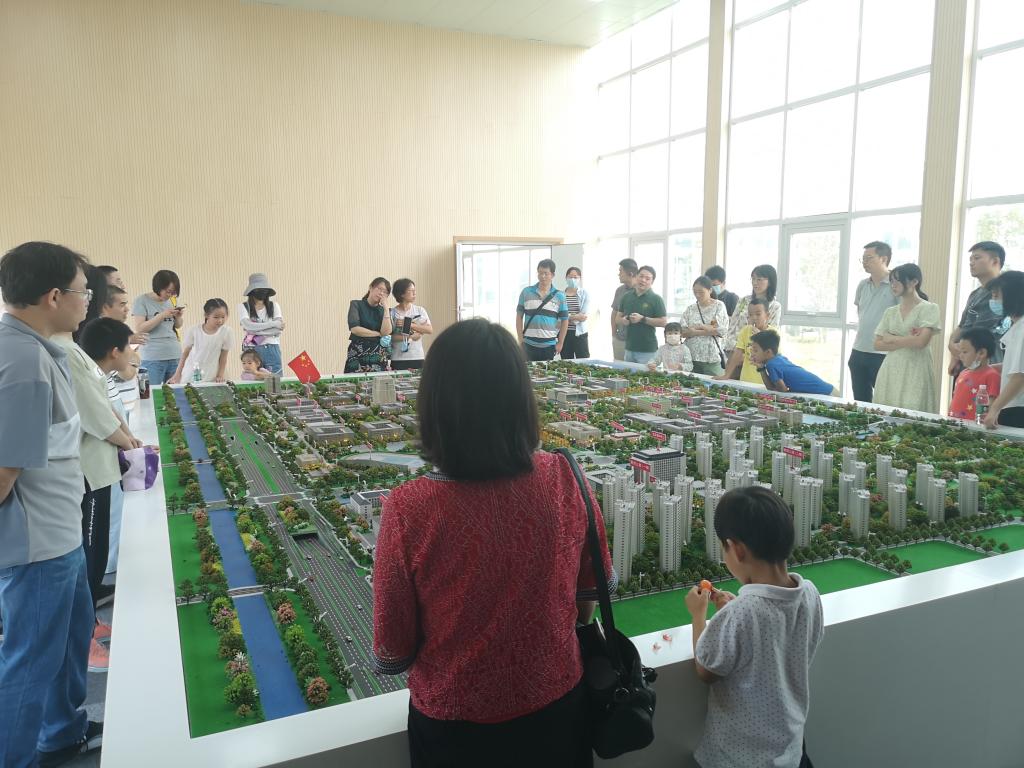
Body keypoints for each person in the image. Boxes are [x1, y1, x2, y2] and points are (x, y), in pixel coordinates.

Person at [373, 318, 613, 768]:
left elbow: (394, 648)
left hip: (456, 727)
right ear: (520, 400)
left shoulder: (410, 508)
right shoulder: (565, 477)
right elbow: (589, 595)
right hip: (557, 710)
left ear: (436, 406)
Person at [0, 242, 104, 767]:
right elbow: (4, 473)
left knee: (68, 639)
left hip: (60, 537)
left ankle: (63, 730)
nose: (89, 301)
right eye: (84, 291)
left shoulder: (39, 350)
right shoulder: (24, 362)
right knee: (29, 664)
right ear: (54, 296)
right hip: (37, 547)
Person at [685, 486, 823, 768]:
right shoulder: (809, 593)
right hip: (792, 749)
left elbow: (706, 669)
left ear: (736, 549)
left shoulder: (742, 612)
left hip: (741, 757)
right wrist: (734, 612)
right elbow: (776, 633)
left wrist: (698, 615)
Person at [57, 306, 142, 672]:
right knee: (91, 558)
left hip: (102, 472)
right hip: (90, 474)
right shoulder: (71, 356)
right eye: (128, 347)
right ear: (113, 351)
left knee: (96, 552)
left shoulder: (88, 364)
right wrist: (128, 443)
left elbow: (108, 410)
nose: (132, 354)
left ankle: (89, 620)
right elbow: (96, 418)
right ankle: (84, 637)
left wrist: (129, 438)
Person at [873, 264, 941, 414]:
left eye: (897, 280)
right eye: (891, 281)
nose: (893, 285)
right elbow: (877, 344)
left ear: (914, 282)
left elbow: (921, 342)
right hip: (891, 368)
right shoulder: (890, 312)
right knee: (886, 410)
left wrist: (891, 338)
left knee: (914, 410)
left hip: (916, 368)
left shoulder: (929, 308)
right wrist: (909, 340)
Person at [848, 241, 898, 402]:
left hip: (882, 353)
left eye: (869, 258)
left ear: (884, 259)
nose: (865, 262)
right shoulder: (862, 285)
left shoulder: (896, 285)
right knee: (861, 401)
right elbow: (861, 313)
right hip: (859, 350)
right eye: (863, 259)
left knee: (886, 401)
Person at [948, 241, 1006, 379]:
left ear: (995, 261)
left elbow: (985, 332)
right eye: (970, 259)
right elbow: (962, 326)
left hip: (991, 364)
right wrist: (951, 346)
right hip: (967, 363)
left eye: (977, 258)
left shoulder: (1003, 293)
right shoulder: (975, 294)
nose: (971, 262)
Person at [982, 271, 1024, 429]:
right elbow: (1015, 367)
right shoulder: (1017, 326)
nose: (993, 301)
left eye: (996, 295)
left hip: (1017, 408)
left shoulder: (1022, 330)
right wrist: (990, 368)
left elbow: (1019, 377)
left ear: (1013, 296)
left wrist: (994, 408)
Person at [132, 269, 183, 384]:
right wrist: (162, 315)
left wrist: (178, 317)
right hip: (152, 357)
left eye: (173, 292)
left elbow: (177, 325)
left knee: (176, 392)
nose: (170, 295)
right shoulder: (142, 301)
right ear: (158, 287)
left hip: (174, 354)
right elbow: (140, 328)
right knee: (153, 392)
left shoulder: (171, 301)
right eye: (168, 291)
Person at [749, 330, 837, 396]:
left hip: (827, 395)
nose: (752, 354)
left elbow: (781, 391)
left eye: (755, 350)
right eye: (752, 350)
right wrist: (761, 368)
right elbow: (774, 388)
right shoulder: (778, 359)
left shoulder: (771, 364)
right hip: (830, 390)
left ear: (768, 352)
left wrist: (762, 369)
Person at [516, 259, 569, 362]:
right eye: (540, 273)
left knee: (546, 371)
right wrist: (520, 339)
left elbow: (565, 320)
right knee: (527, 371)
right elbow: (519, 316)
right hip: (528, 344)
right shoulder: (526, 292)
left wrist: (560, 343)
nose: (542, 276)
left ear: (552, 275)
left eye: (546, 273)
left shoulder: (560, 296)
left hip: (549, 346)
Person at [168, 299, 232, 384]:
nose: (220, 320)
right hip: (192, 374)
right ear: (206, 315)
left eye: (223, 317)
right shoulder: (194, 330)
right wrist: (177, 374)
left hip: (213, 376)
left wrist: (220, 375)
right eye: (216, 317)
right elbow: (185, 354)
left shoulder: (227, 332)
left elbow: (223, 357)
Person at [614, 264, 667, 365]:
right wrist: (623, 320)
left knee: (645, 375)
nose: (643, 280)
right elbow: (617, 318)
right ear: (636, 277)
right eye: (641, 276)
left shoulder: (656, 299)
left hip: (647, 350)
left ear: (652, 282)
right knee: (628, 374)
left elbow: (663, 322)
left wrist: (642, 319)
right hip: (629, 347)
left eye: (647, 278)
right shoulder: (627, 296)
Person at [715, 297, 774, 385]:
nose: (754, 318)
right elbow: (737, 354)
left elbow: (774, 358)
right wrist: (726, 375)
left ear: (767, 315)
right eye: (750, 315)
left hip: (765, 383)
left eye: (758, 314)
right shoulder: (745, 331)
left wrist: (761, 337)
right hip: (745, 381)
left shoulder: (773, 334)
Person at [725, 265, 781, 354]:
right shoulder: (744, 300)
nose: (755, 283)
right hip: (735, 349)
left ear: (770, 282)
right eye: (753, 279)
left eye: (759, 279)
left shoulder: (775, 306)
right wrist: (731, 346)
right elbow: (732, 325)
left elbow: (772, 334)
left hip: (757, 352)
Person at [949, 328, 1001, 421]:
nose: (960, 355)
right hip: (954, 422)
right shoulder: (963, 373)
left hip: (975, 426)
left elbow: (992, 404)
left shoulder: (992, 375)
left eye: (964, 352)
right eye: (960, 352)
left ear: (981, 353)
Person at [680, 276, 729, 376]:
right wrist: (706, 328)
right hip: (691, 356)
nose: (697, 295)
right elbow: (682, 331)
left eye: (701, 292)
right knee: (692, 383)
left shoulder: (719, 306)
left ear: (710, 290)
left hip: (711, 357)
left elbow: (720, 330)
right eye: (695, 292)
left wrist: (696, 329)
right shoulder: (690, 309)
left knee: (715, 382)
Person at [239, 274, 284, 375]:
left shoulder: (274, 306)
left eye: (264, 289)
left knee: (274, 381)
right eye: (259, 289)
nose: (262, 292)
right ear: (252, 291)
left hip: (271, 348)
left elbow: (277, 330)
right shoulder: (243, 306)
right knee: (253, 380)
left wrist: (255, 332)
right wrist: (273, 324)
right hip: (252, 350)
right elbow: (248, 326)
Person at [346, 277, 393, 372]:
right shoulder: (356, 304)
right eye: (379, 289)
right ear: (371, 288)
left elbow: (386, 332)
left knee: (380, 381)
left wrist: (386, 309)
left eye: (385, 292)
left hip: (378, 354)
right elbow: (355, 329)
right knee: (356, 380)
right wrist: (377, 334)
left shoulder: (384, 311)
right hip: (358, 352)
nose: (381, 293)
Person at [389, 278, 432, 370]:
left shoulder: (420, 310)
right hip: (398, 358)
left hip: (417, 356)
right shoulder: (392, 313)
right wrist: (411, 337)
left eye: (415, 290)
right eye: (411, 290)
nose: (414, 293)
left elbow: (429, 330)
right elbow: (389, 337)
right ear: (402, 293)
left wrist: (409, 324)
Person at [611, 258, 638, 361]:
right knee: (619, 368)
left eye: (620, 271)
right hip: (620, 339)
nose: (619, 274)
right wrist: (614, 334)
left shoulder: (641, 290)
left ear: (630, 274)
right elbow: (614, 313)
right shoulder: (619, 290)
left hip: (637, 341)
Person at [561, 266, 591, 359]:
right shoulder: (560, 295)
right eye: (570, 277)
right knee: (566, 361)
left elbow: (583, 316)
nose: (573, 279)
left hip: (580, 333)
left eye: (575, 277)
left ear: (580, 278)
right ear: (566, 278)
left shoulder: (584, 293)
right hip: (564, 333)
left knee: (584, 360)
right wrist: (574, 317)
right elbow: (559, 315)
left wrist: (567, 318)